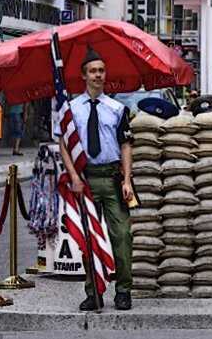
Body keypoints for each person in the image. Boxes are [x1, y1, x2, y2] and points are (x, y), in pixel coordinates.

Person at [56, 47, 135, 311]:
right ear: (83, 76)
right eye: (93, 71)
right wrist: (74, 177)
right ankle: (94, 293)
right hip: (85, 179)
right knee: (89, 239)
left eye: (101, 70)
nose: (98, 75)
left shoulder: (117, 108)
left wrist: (127, 180)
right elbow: (64, 145)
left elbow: (126, 145)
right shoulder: (71, 109)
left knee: (122, 236)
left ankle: (123, 290)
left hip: (112, 179)